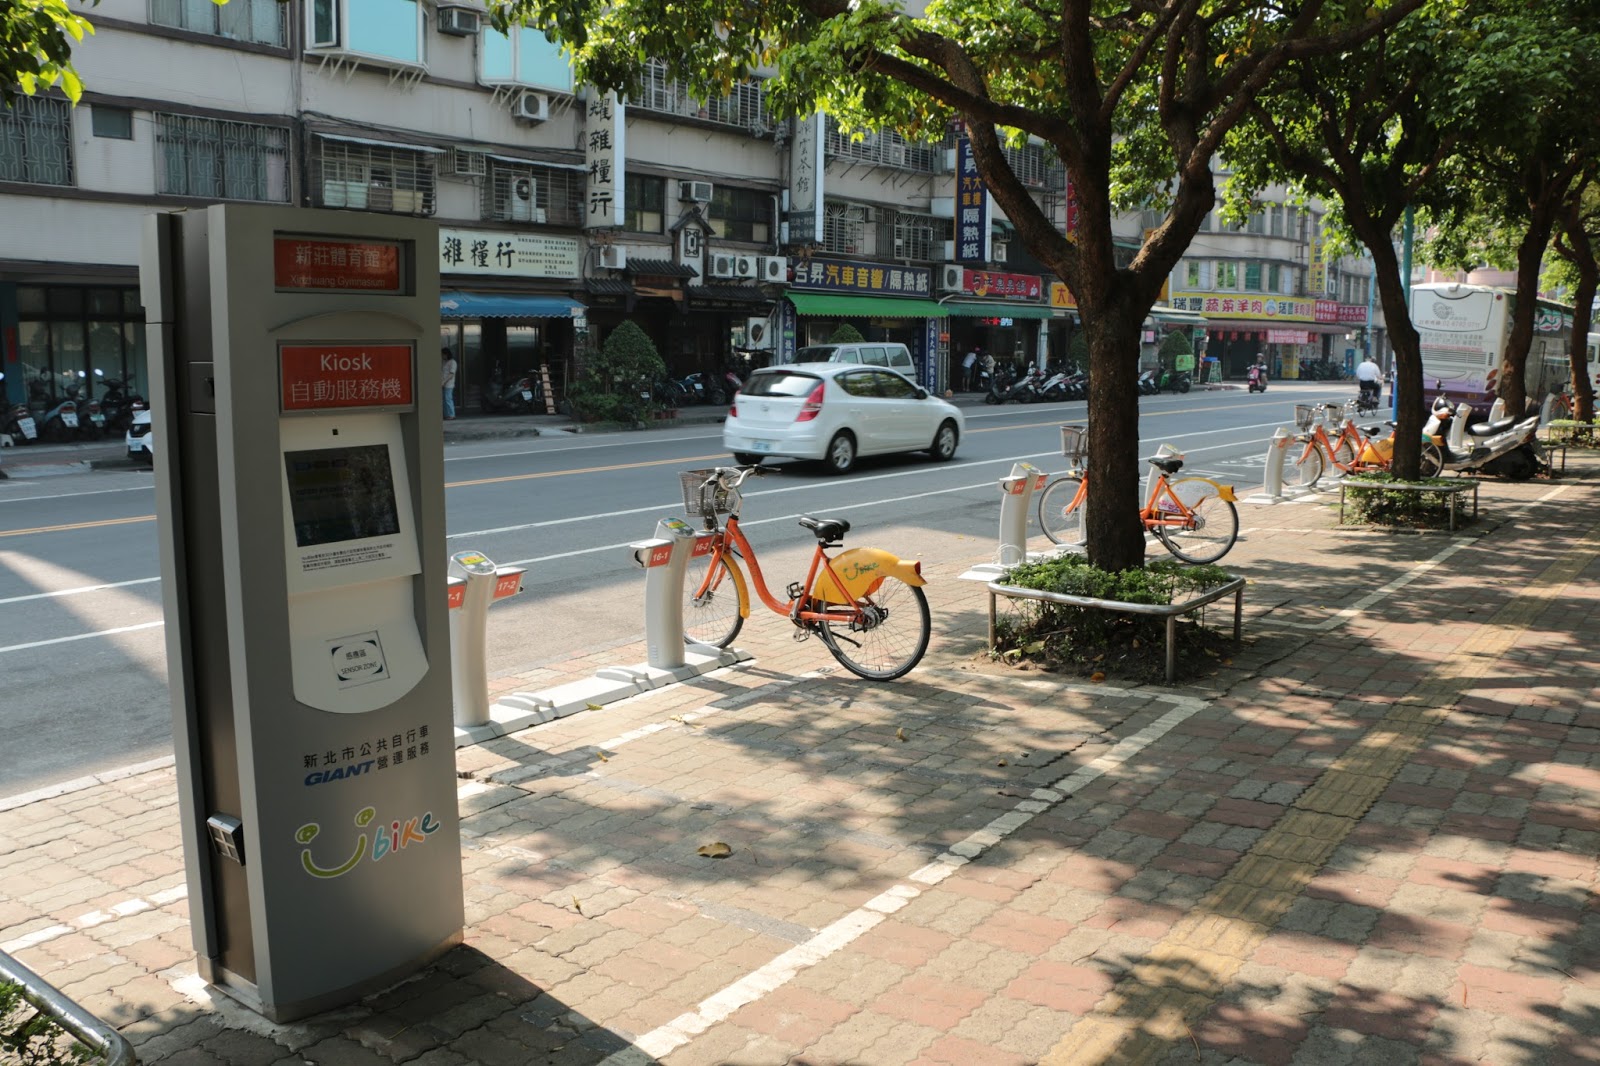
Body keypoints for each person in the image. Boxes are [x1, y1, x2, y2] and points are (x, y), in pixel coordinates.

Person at [441, 346, 458, 419]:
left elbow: (451, 374)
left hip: (449, 384)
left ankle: (451, 414)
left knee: (448, 399)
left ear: (446, 354)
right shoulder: (444, 362)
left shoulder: (453, 362)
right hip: (443, 383)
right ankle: (446, 414)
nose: (442, 356)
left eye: (443, 354)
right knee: (444, 399)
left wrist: (444, 381)